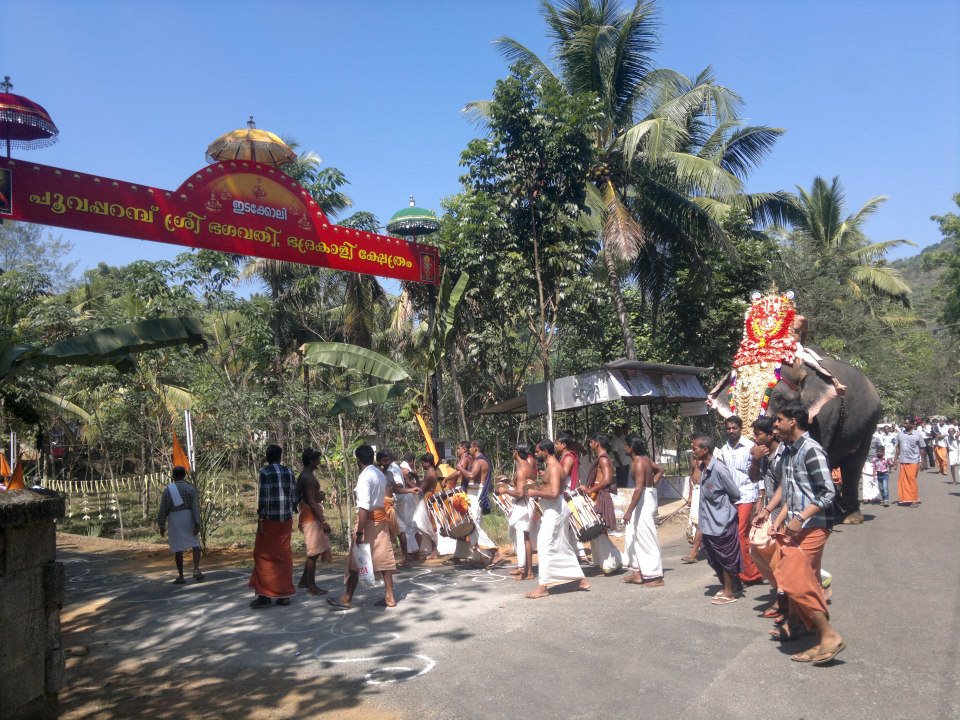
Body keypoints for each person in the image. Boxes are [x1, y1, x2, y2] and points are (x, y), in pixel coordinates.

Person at [770, 402, 845, 665]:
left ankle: (829, 636)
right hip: (796, 525)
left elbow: (827, 492)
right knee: (805, 577)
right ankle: (804, 630)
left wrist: (801, 517)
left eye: (779, 420)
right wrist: (781, 519)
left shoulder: (811, 450)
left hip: (813, 526)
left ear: (794, 421)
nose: (775, 425)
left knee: (792, 576)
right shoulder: (790, 452)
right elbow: (793, 493)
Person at [328, 444, 397, 609]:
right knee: (385, 557)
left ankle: (346, 598)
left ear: (358, 460)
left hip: (368, 521)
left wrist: (360, 531)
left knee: (355, 559)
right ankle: (390, 597)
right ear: (372, 457)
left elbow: (364, 507)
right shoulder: (379, 473)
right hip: (381, 519)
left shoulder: (365, 476)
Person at [523, 439, 590, 599]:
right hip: (552, 510)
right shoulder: (551, 467)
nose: (536, 454)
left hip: (555, 511)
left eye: (538, 451)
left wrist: (535, 492)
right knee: (561, 545)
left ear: (545, 452)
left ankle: (543, 587)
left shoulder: (554, 468)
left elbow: (554, 493)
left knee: (545, 545)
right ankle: (580, 579)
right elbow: (550, 488)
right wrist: (537, 486)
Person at [692, 433, 741, 605]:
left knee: (725, 556)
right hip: (708, 523)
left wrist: (724, 512)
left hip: (722, 522)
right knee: (711, 554)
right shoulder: (704, 469)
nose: (693, 451)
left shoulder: (719, 469)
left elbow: (735, 493)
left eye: (695, 448)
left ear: (705, 450)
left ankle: (729, 593)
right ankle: (728, 585)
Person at [747, 417, 786, 621]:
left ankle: (784, 598)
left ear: (771, 434)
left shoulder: (783, 455)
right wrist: (755, 459)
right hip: (770, 512)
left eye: (759, 434)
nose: (755, 439)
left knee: (778, 557)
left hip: (784, 512)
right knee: (757, 550)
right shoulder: (763, 455)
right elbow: (753, 478)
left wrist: (769, 510)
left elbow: (784, 486)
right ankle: (781, 590)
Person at [249, 444, 297, 608]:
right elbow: (293, 495)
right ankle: (284, 595)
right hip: (286, 520)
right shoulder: (289, 471)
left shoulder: (265, 472)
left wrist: (261, 518)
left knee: (263, 556)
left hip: (270, 519)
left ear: (268, 457)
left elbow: (264, 496)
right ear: (280, 457)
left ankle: (265, 595)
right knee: (283, 555)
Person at [717, 416, 762, 585]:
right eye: (728, 428)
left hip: (747, 494)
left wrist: (760, 497)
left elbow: (759, 472)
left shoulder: (751, 447)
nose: (731, 431)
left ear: (740, 428)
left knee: (741, 533)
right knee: (733, 534)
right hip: (730, 497)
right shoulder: (723, 449)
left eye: (734, 428)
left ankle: (750, 574)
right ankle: (742, 569)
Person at [622, 436, 664, 587]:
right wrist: (652, 483)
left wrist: (629, 511)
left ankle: (656, 576)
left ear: (631, 447)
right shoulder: (644, 459)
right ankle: (637, 572)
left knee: (647, 537)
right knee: (634, 535)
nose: (624, 448)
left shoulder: (639, 462)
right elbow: (660, 470)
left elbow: (639, 488)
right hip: (646, 496)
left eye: (626, 445)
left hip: (644, 499)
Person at [496, 444, 538, 581]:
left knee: (523, 537)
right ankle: (526, 570)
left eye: (513, 451)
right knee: (524, 537)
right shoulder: (527, 465)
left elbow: (520, 493)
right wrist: (509, 482)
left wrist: (505, 490)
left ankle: (525, 569)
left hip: (524, 504)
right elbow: (522, 486)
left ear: (516, 452)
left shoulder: (521, 469)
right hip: (527, 503)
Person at [157, 465, 203, 585]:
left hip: (174, 519)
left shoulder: (168, 490)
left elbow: (163, 508)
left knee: (178, 548)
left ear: (173, 476)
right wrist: (197, 523)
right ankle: (196, 569)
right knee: (195, 544)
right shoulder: (191, 489)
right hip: (188, 517)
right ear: (184, 475)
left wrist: (161, 524)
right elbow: (195, 508)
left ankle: (181, 576)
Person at [296, 448, 332, 595]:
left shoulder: (306, 475)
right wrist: (323, 521)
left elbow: (311, 498)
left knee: (315, 551)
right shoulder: (307, 477)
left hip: (310, 513)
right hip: (311, 516)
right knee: (313, 552)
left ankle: (305, 580)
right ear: (311, 461)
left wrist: (319, 497)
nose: (319, 462)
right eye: (317, 460)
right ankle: (311, 586)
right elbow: (310, 501)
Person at [584, 433, 617, 531]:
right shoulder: (602, 457)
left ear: (597, 443)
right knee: (598, 526)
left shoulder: (603, 459)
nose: (590, 444)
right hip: (597, 492)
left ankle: (605, 546)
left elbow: (606, 480)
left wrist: (591, 490)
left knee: (599, 526)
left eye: (591, 442)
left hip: (599, 494)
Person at [893, 418, 926, 507]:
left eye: (906, 423)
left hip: (914, 460)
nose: (904, 425)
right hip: (903, 461)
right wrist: (895, 460)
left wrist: (923, 462)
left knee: (912, 480)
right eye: (904, 423)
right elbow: (898, 448)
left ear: (912, 424)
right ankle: (907, 498)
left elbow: (922, 448)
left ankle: (914, 500)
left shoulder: (917, 434)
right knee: (903, 481)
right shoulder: (900, 434)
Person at [611, 424, 632, 488]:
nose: (621, 432)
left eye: (621, 430)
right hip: (621, 464)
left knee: (626, 481)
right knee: (621, 482)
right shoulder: (615, 440)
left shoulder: (623, 438)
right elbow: (615, 453)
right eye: (619, 430)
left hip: (626, 463)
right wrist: (621, 464)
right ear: (615, 431)